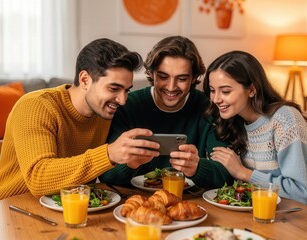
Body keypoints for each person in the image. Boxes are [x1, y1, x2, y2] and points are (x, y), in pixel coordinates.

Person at [0, 38, 163, 204]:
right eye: (114, 88)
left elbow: (98, 170)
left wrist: (129, 162)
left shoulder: (103, 112)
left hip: (64, 207)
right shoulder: (36, 106)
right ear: (85, 79)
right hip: (5, 208)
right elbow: (38, 179)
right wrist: (108, 154)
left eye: (127, 90)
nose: (122, 100)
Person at [204, 50, 307, 217]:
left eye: (225, 91)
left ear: (251, 89)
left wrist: (243, 172)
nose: (216, 99)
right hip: (268, 212)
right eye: (212, 90)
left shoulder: (285, 119)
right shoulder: (235, 121)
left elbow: (303, 194)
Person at [99, 36, 233, 189]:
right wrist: (129, 164)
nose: (171, 87)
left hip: (193, 201)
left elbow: (226, 175)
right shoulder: (127, 106)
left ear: (194, 78)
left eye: (181, 79)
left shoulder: (210, 107)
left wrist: (198, 168)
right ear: (152, 73)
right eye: (163, 77)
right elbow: (106, 176)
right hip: (136, 201)